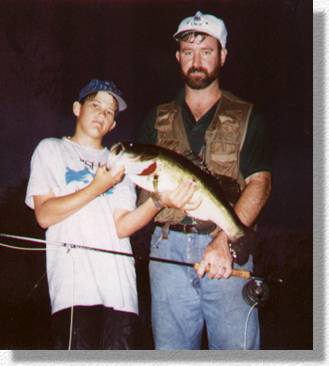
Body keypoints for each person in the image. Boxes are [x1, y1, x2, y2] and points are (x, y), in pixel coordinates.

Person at [25, 79, 195, 350]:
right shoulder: (51, 150)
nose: (102, 114)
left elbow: (122, 227)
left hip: (121, 293)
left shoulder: (122, 162)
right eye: (95, 105)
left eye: (109, 112)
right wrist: (97, 187)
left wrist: (158, 202)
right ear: (77, 108)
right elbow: (44, 215)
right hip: (74, 293)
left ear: (113, 124)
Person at [137, 11, 272, 349]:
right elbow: (139, 194)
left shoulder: (248, 116)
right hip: (166, 249)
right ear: (178, 57)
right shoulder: (155, 118)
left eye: (206, 51)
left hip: (224, 249)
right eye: (187, 51)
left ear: (223, 56)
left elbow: (260, 183)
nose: (196, 60)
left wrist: (224, 241)